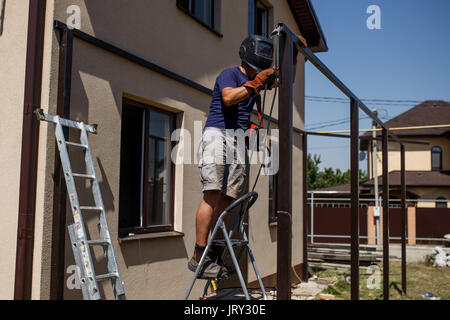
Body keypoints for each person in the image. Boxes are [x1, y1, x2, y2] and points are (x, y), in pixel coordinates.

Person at [188, 33, 307, 278]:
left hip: (238, 142)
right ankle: (199, 256)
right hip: (218, 135)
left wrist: (293, 54)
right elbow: (229, 98)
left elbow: (287, 82)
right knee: (212, 194)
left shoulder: (258, 79)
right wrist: (256, 83)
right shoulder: (230, 74)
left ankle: (214, 256)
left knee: (228, 202)